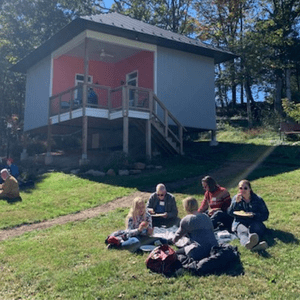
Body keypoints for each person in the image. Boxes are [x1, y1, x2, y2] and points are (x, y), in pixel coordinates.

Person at [228, 180, 269, 251]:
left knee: (254, 230)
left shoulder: (257, 199)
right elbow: (230, 213)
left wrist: (254, 215)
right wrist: (236, 203)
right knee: (243, 232)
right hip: (240, 221)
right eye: (240, 188)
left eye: (245, 188)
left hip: (254, 221)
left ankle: (252, 244)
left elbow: (265, 215)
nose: (243, 190)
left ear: (250, 189)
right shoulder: (236, 198)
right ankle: (250, 244)